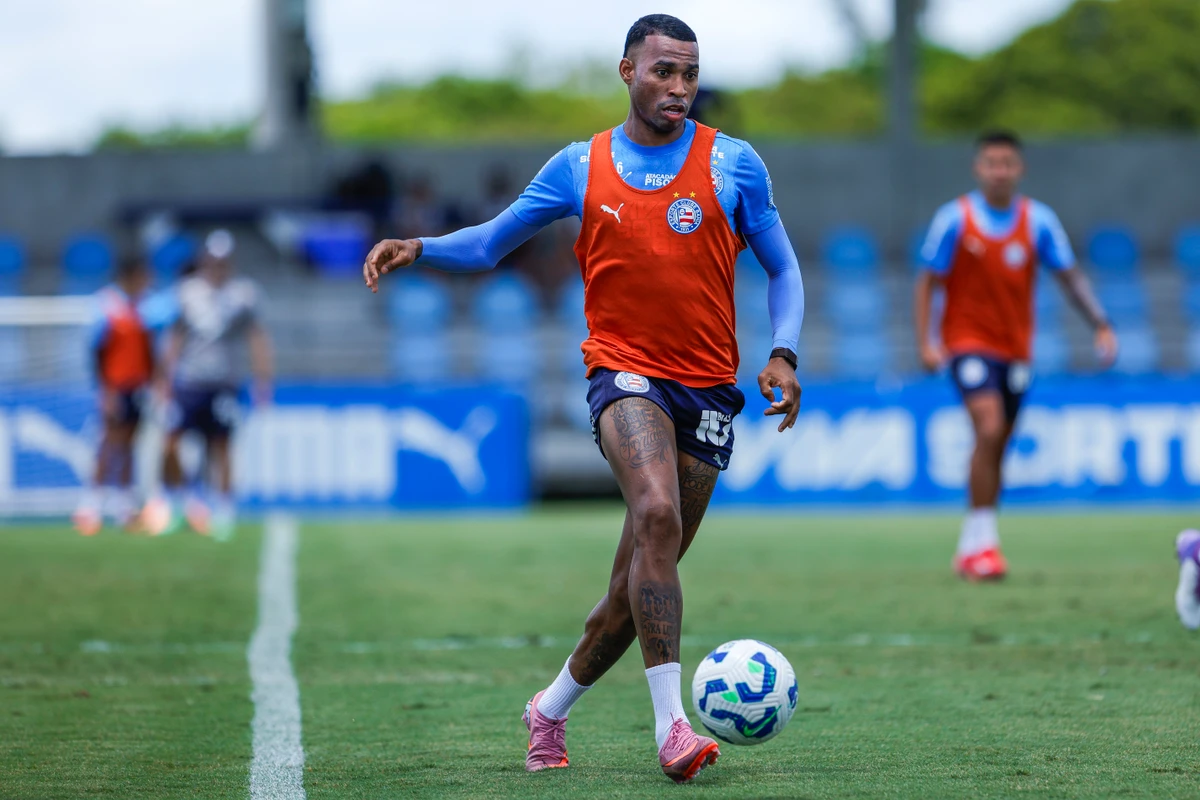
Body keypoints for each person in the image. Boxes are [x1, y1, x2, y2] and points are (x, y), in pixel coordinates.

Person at [363, 14, 804, 784]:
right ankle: (672, 729)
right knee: (658, 514)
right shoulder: (580, 165)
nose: (678, 88)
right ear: (627, 70)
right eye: (663, 72)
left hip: (706, 392)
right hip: (622, 374)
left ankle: (550, 709)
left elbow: (785, 269)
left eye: (689, 75)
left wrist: (783, 353)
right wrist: (421, 247)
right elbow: (493, 241)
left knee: (630, 596)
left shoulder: (734, 165)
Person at [915, 130, 1118, 582]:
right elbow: (927, 280)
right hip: (967, 343)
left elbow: (1069, 276)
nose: (1000, 170)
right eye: (992, 162)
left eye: (1008, 162)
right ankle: (984, 547)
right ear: (978, 168)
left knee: (998, 445)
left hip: (1016, 351)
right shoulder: (955, 219)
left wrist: (1101, 323)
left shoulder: (1039, 221)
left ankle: (972, 546)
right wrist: (928, 341)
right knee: (988, 427)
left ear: (1019, 169)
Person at [141, 230, 273, 542]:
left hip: (223, 382)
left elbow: (257, 338)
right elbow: (174, 338)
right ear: (204, 261)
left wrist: (263, 379)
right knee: (170, 443)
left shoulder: (244, 294)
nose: (217, 267)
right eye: (213, 261)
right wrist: (163, 379)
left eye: (223, 261)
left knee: (222, 447)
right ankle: (178, 504)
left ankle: (224, 512)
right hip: (188, 382)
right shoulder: (187, 292)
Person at [72, 256, 155, 535]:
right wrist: (105, 391)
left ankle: (124, 507)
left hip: (137, 387)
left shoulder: (142, 307)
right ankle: (90, 507)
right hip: (115, 386)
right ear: (130, 276)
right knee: (110, 443)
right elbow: (97, 351)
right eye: (143, 277)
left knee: (129, 445)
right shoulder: (105, 306)